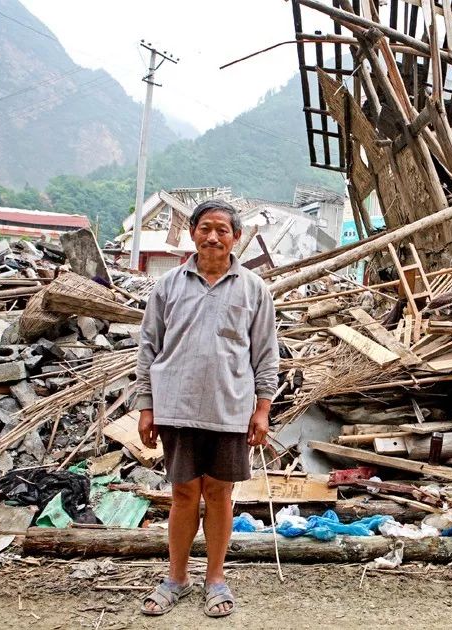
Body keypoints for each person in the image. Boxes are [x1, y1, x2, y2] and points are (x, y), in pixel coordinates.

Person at [134, 199, 279, 618]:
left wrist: (262, 409)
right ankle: (175, 578)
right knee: (182, 495)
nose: (213, 237)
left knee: (219, 494)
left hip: (230, 408)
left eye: (222, 229)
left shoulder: (253, 289)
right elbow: (148, 348)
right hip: (176, 407)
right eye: (205, 228)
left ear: (236, 237)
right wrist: (146, 406)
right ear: (193, 232)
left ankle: (215, 578)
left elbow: (266, 355)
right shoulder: (168, 287)